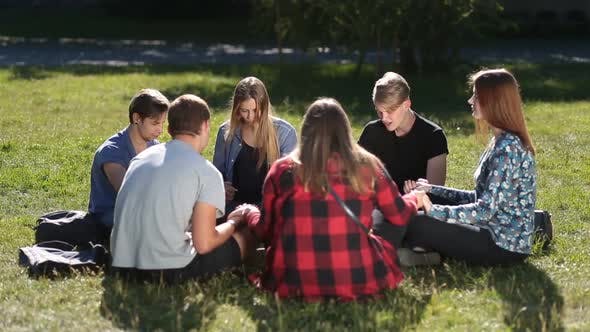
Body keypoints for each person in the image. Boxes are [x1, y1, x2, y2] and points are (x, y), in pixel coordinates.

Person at [244, 98, 426, 301]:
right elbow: (399, 215)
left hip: (293, 279)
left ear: (306, 130)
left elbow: (265, 231)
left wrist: (248, 212)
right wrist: (414, 198)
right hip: (356, 276)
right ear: (344, 130)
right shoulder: (367, 165)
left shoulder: (282, 169)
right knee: (384, 216)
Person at [110, 94, 258, 283]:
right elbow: (204, 244)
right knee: (247, 233)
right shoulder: (207, 172)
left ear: (170, 129)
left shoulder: (140, 159)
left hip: (121, 266)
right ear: (205, 126)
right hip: (168, 270)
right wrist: (236, 222)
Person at [404, 68, 536, 266]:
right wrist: (431, 190)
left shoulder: (507, 150)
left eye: (476, 95)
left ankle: (417, 250)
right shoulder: (499, 141)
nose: (470, 101)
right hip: (489, 229)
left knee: (418, 221)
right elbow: (479, 197)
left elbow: (484, 210)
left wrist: (432, 210)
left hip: (503, 245)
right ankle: (423, 250)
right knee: (422, 205)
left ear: (493, 101)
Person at [88, 88, 169, 229]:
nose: (160, 130)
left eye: (163, 123)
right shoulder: (111, 151)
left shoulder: (155, 147)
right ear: (137, 118)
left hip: (140, 214)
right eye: (155, 123)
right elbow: (128, 194)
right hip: (108, 220)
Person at [213, 77, 297, 211]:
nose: (250, 116)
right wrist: (222, 187)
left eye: (255, 110)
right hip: (233, 209)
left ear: (264, 107)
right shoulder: (226, 132)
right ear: (236, 108)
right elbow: (216, 174)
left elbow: (289, 183)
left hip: (269, 211)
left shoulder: (285, 133)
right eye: (244, 110)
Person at [358, 71, 448, 190]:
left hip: (417, 206)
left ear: (406, 104)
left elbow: (436, 192)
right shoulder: (372, 132)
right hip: (378, 205)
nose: (384, 118)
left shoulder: (433, 136)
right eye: (379, 111)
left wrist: (415, 196)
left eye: (390, 111)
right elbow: (354, 178)